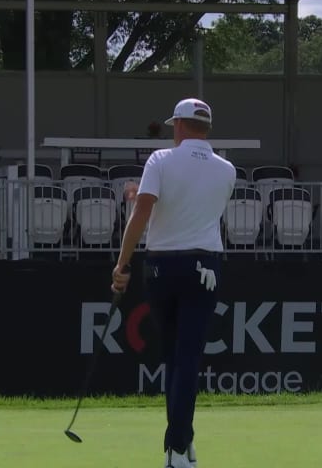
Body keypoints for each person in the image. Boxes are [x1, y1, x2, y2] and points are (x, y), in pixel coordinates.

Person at [111, 98, 236, 468]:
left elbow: (143, 213)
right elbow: (194, 204)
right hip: (205, 267)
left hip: (162, 268)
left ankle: (178, 447)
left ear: (179, 125)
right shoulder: (227, 169)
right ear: (206, 127)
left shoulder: (160, 160)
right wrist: (145, 194)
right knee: (187, 359)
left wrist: (122, 264)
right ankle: (182, 443)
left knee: (174, 359)